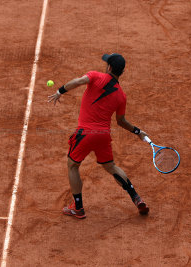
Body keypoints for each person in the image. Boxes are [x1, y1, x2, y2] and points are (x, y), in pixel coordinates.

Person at [47, 53, 149, 219]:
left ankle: (78, 207)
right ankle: (136, 198)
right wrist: (138, 132)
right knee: (111, 167)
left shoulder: (95, 76)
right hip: (103, 135)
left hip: (85, 133)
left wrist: (60, 91)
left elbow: (79, 81)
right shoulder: (121, 96)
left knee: (72, 165)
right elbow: (121, 121)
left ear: (109, 67)